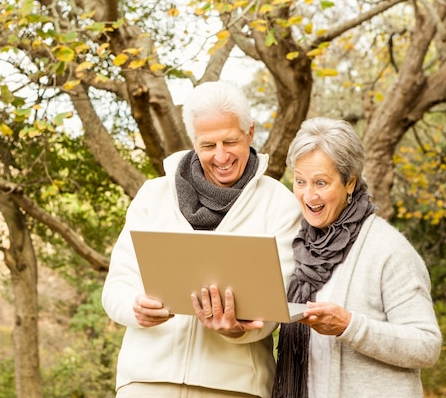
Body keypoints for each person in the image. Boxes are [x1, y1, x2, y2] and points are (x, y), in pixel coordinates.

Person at [102, 80, 302, 398]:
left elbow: (276, 306)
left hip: (234, 388)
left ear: (250, 133)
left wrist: (238, 329)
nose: (221, 156)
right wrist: (134, 308)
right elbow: (116, 288)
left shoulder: (280, 204)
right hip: (145, 382)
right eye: (208, 145)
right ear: (193, 141)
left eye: (230, 141)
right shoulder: (153, 195)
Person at [272, 117, 442, 398]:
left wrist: (350, 326)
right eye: (300, 181)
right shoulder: (299, 246)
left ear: (350, 182)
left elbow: (426, 345)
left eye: (321, 182)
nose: (308, 195)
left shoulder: (389, 250)